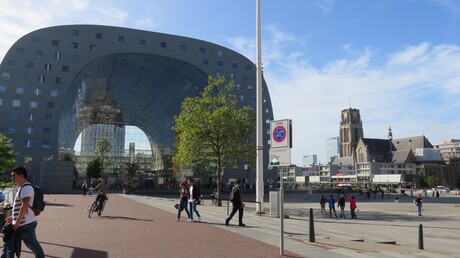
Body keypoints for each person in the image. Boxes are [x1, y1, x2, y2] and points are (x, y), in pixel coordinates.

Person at [2, 166, 45, 258]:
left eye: (14, 175)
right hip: (23, 223)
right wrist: (12, 217)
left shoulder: (26, 188)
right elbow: (19, 205)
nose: (12, 178)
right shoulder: (21, 188)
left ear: (21, 175)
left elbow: (25, 205)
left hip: (25, 224)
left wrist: (16, 223)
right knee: (19, 245)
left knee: (33, 245)